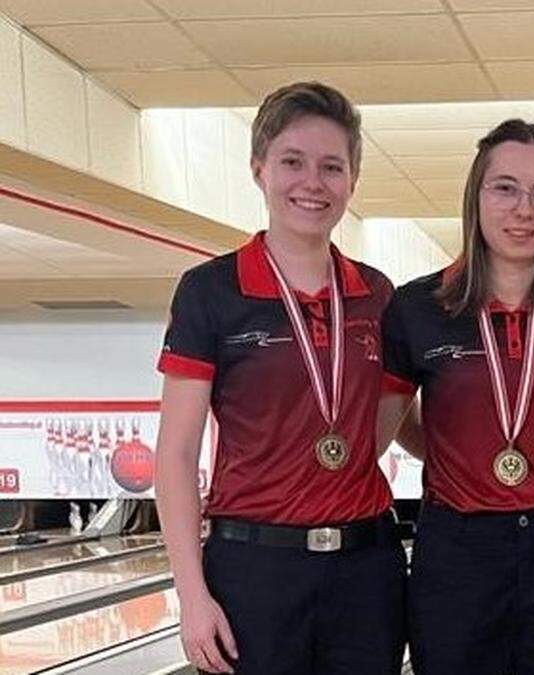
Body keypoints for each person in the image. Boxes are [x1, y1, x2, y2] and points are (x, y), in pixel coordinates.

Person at [155, 82, 405, 674]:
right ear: (258, 168)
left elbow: (395, 413)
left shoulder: (376, 294)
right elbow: (176, 453)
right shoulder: (210, 291)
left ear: (352, 181)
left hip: (366, 567)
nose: (312, 183)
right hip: (253, 572)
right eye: (293, 162)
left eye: (332, 167)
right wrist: (192, 596)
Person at [378, 119, 534, 675]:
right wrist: (457, 458)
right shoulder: (419, 308)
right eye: (505, 187)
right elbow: (389, 421)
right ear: (475, 197)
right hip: (456, 552)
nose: (524, 209)